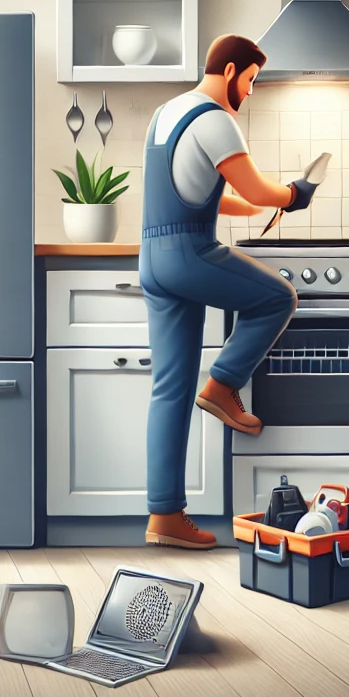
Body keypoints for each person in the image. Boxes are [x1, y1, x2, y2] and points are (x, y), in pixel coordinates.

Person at [140, 34, 318, 550]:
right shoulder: (217, 117)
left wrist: (265, 203)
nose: (252, 91)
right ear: (233, 69)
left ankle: (164, 517)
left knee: (169, 391)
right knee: (278, 297)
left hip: (154, 259)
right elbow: (255, 188)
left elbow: (210, 195)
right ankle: (222, 385)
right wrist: (294, 195)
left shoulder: (167, 112)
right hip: (189, 254)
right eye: (253, 80)